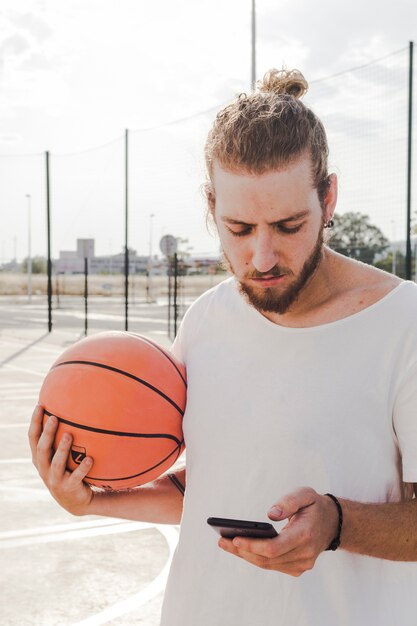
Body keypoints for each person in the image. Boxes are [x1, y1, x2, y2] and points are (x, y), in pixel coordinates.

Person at [29, 69, 417, 626]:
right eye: (238, 228)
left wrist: (336, 523)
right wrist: (92, 500)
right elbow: (208, 487)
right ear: (211, 206)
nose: (261, 257)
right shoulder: (207, 319)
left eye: (288, 225)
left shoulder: (403, 324)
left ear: (328, 198)